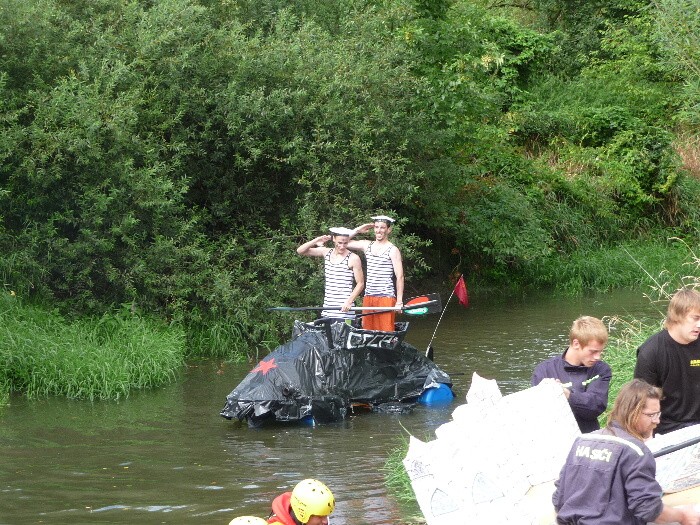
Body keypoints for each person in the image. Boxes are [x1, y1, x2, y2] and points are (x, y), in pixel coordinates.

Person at [553, 379, 700, 525]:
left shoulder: (582, 441)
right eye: (651, 415)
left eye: (658, 414)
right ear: (632, 412)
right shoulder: (635, 452)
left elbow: (558, 497)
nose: (657, 421)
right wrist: (683, 516)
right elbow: (648, 509)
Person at [634, 286, 700, 435]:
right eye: (695, 318)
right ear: (677, 315)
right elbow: (642, 402)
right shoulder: (651, 352)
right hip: (668, 430)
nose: (699, 325)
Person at [531, 316, 611, 433]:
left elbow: (595, 406)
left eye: (600, 351)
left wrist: (567, 395)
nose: (597, 357)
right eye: (593, 351)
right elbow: (537, 412)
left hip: (587, 440)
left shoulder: (601, 370)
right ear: (576, 344)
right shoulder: (544, 370)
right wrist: (546, 394)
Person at [347, 215, 404, 332]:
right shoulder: (366, 245)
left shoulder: (393, 250)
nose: (379, 230)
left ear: (389, 230)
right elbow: (342, 242)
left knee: (385, 332)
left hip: (386, 298)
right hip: (369, 297)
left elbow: (400, 277)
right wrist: (358, 230)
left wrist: (399, 301)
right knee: (367, 331)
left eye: (382, 227)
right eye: (376, 227)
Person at [297, 227, 364, 322]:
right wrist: (317, 240)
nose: (342, 246)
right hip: (327, 311)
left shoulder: (353, 258)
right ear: (334, 239)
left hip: (345, 312)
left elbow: (360, 283)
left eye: (345, 243)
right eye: (339, 243)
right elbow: (300, 251)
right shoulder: (326, 252)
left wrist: (349, 301)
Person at [268, 478, 335, 525]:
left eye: (326, 515)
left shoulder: (318, 520)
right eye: (319, 516)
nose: (325, 521)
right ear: (302, 514)